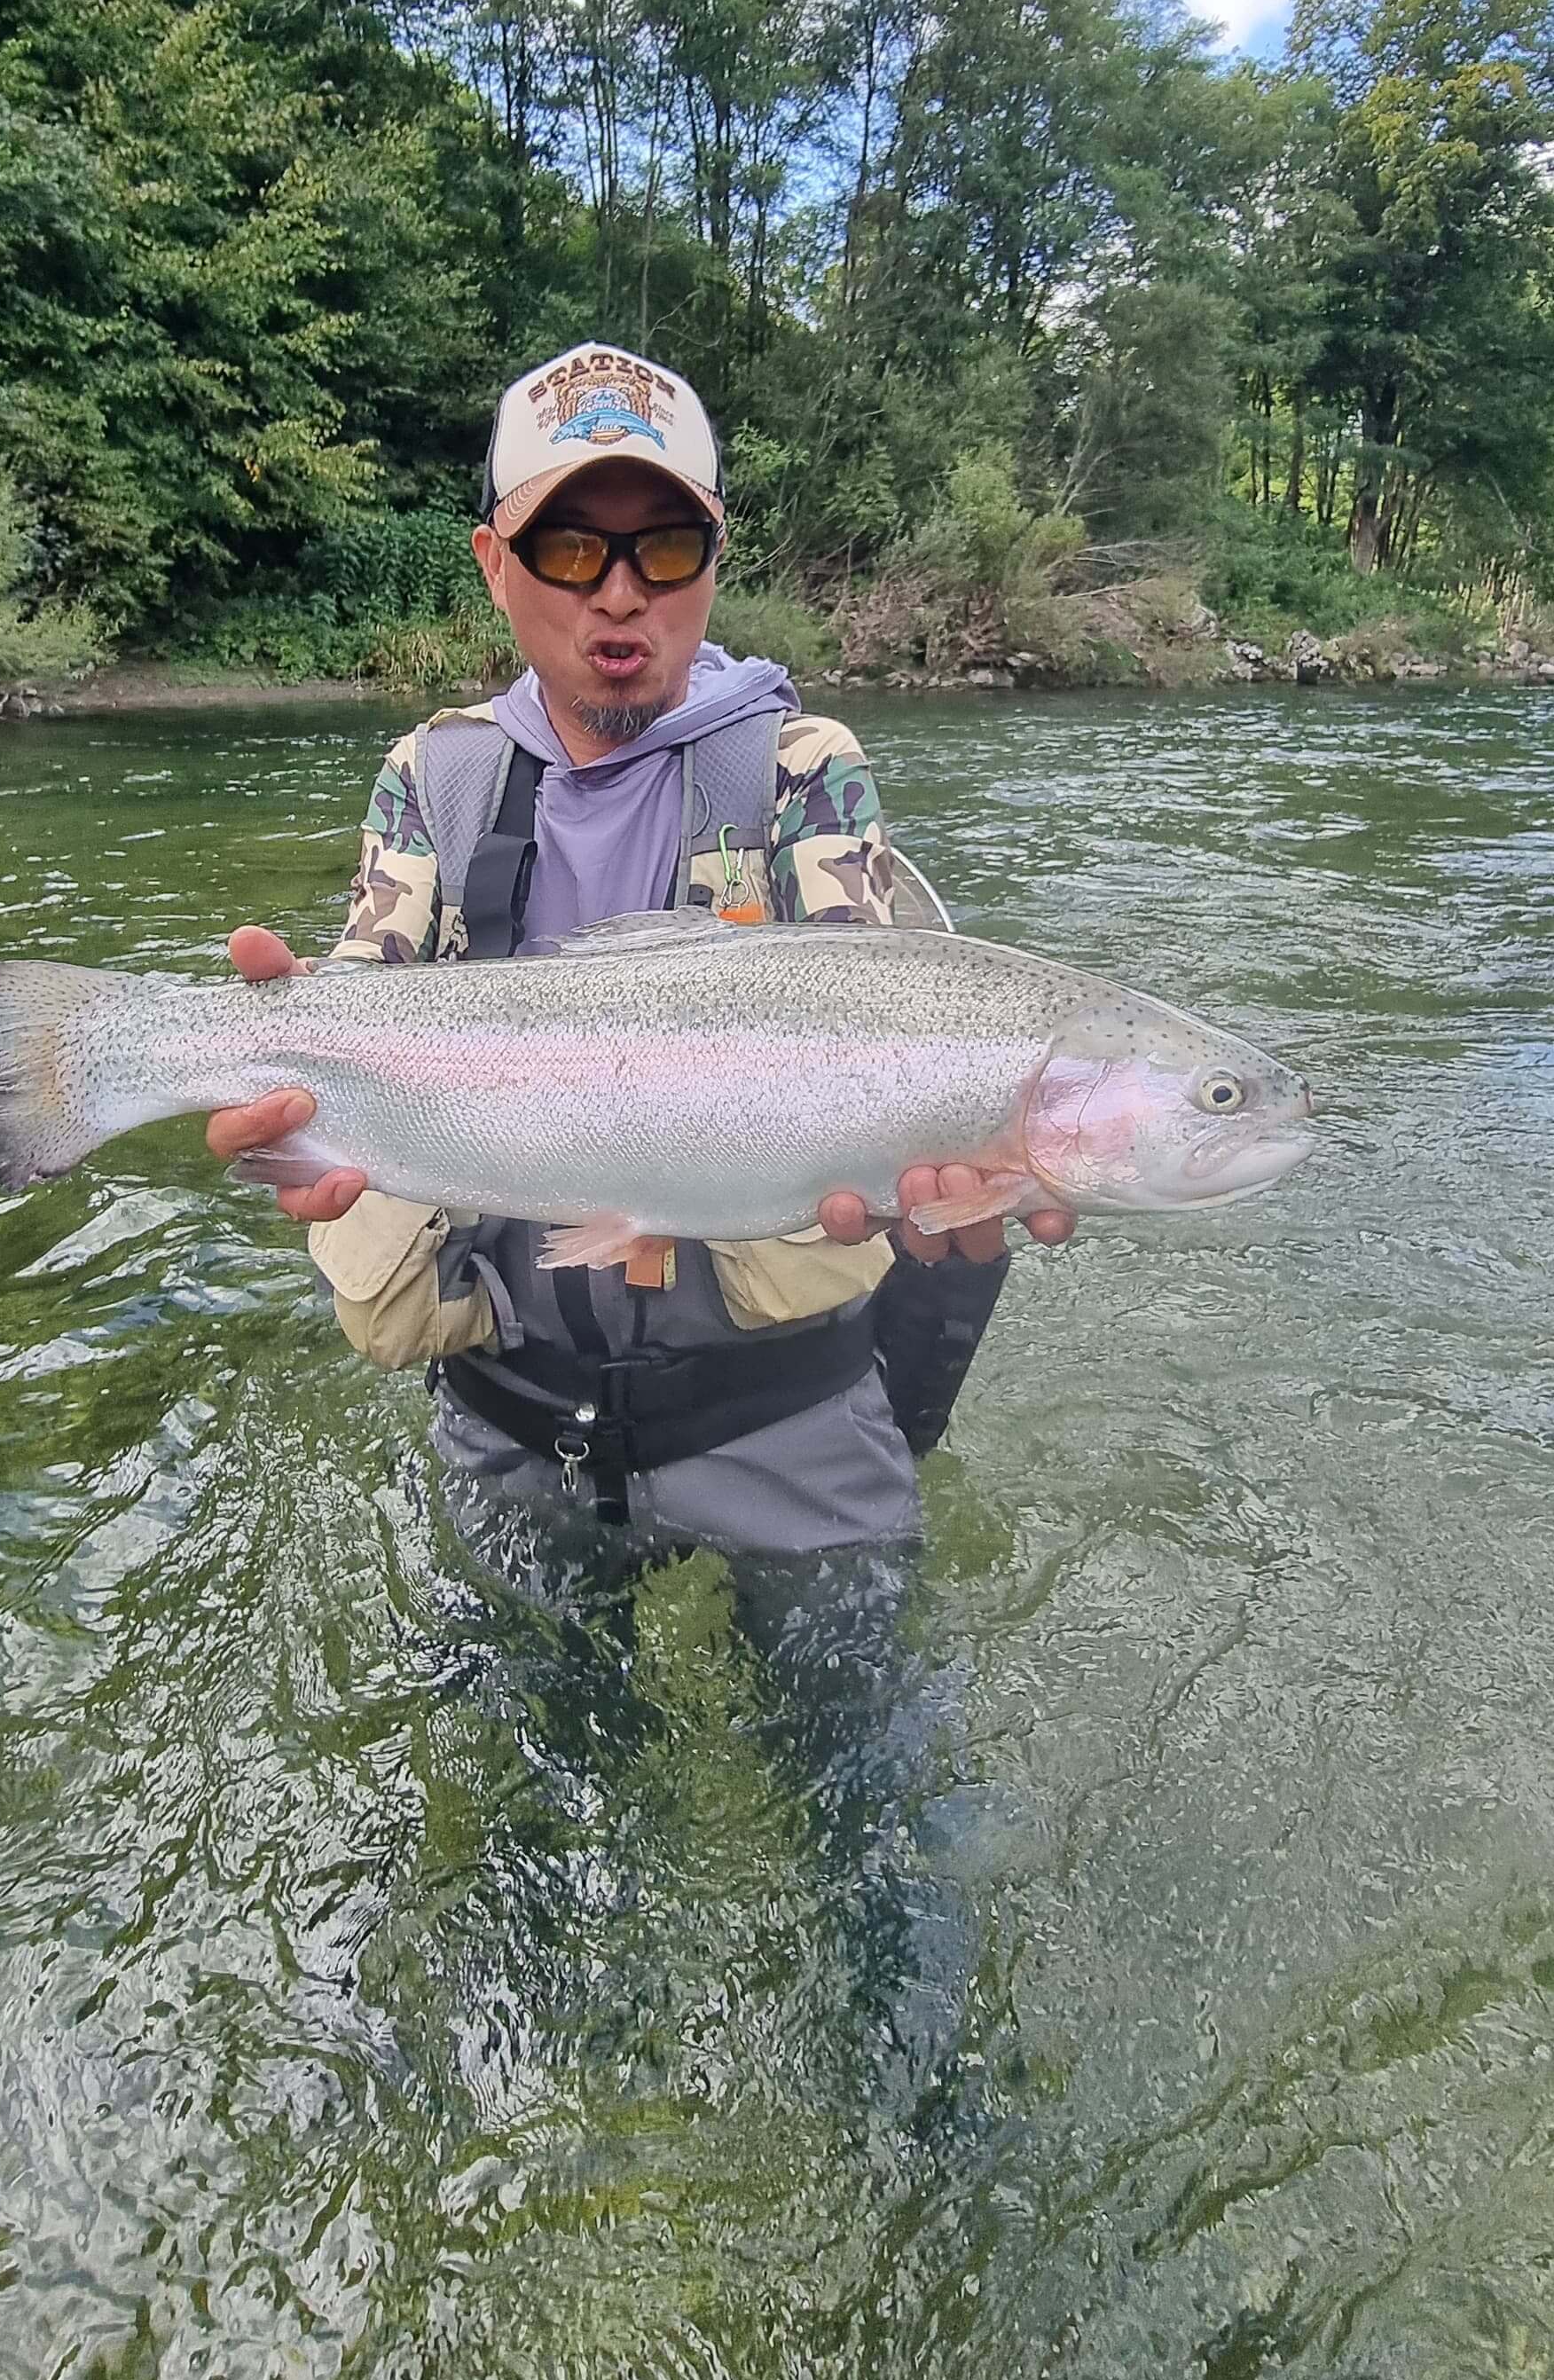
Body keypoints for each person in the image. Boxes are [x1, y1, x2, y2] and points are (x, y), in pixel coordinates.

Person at [205, 342, 1072, 1562]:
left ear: (716, 562)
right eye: (569, 549)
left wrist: (954, 1160)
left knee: (863, 1748)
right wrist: (282, 1080)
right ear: (496, 566)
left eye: (665, 548)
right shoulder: (432, 779)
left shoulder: (802, 770)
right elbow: (363, 997)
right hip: (509, 1411)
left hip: (782, 1415)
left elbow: (883, 1022)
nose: (620, 594)